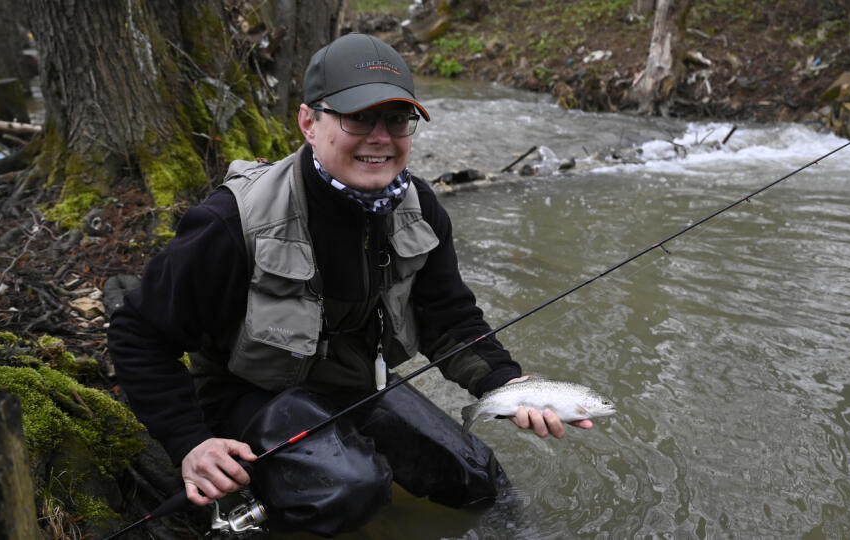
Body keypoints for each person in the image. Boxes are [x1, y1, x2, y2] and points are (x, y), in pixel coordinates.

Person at [108, 32, 592, 536]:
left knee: (478, 480)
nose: (380, 136)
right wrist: (190, 443)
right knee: (349, 489)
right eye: (358, 117)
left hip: (355, 388)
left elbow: (448, 319)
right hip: (248, 395)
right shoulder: (234, 220)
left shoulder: (420, 209)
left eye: (397, 119)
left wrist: (505, 383)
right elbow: (137, 333)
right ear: (308, 123)